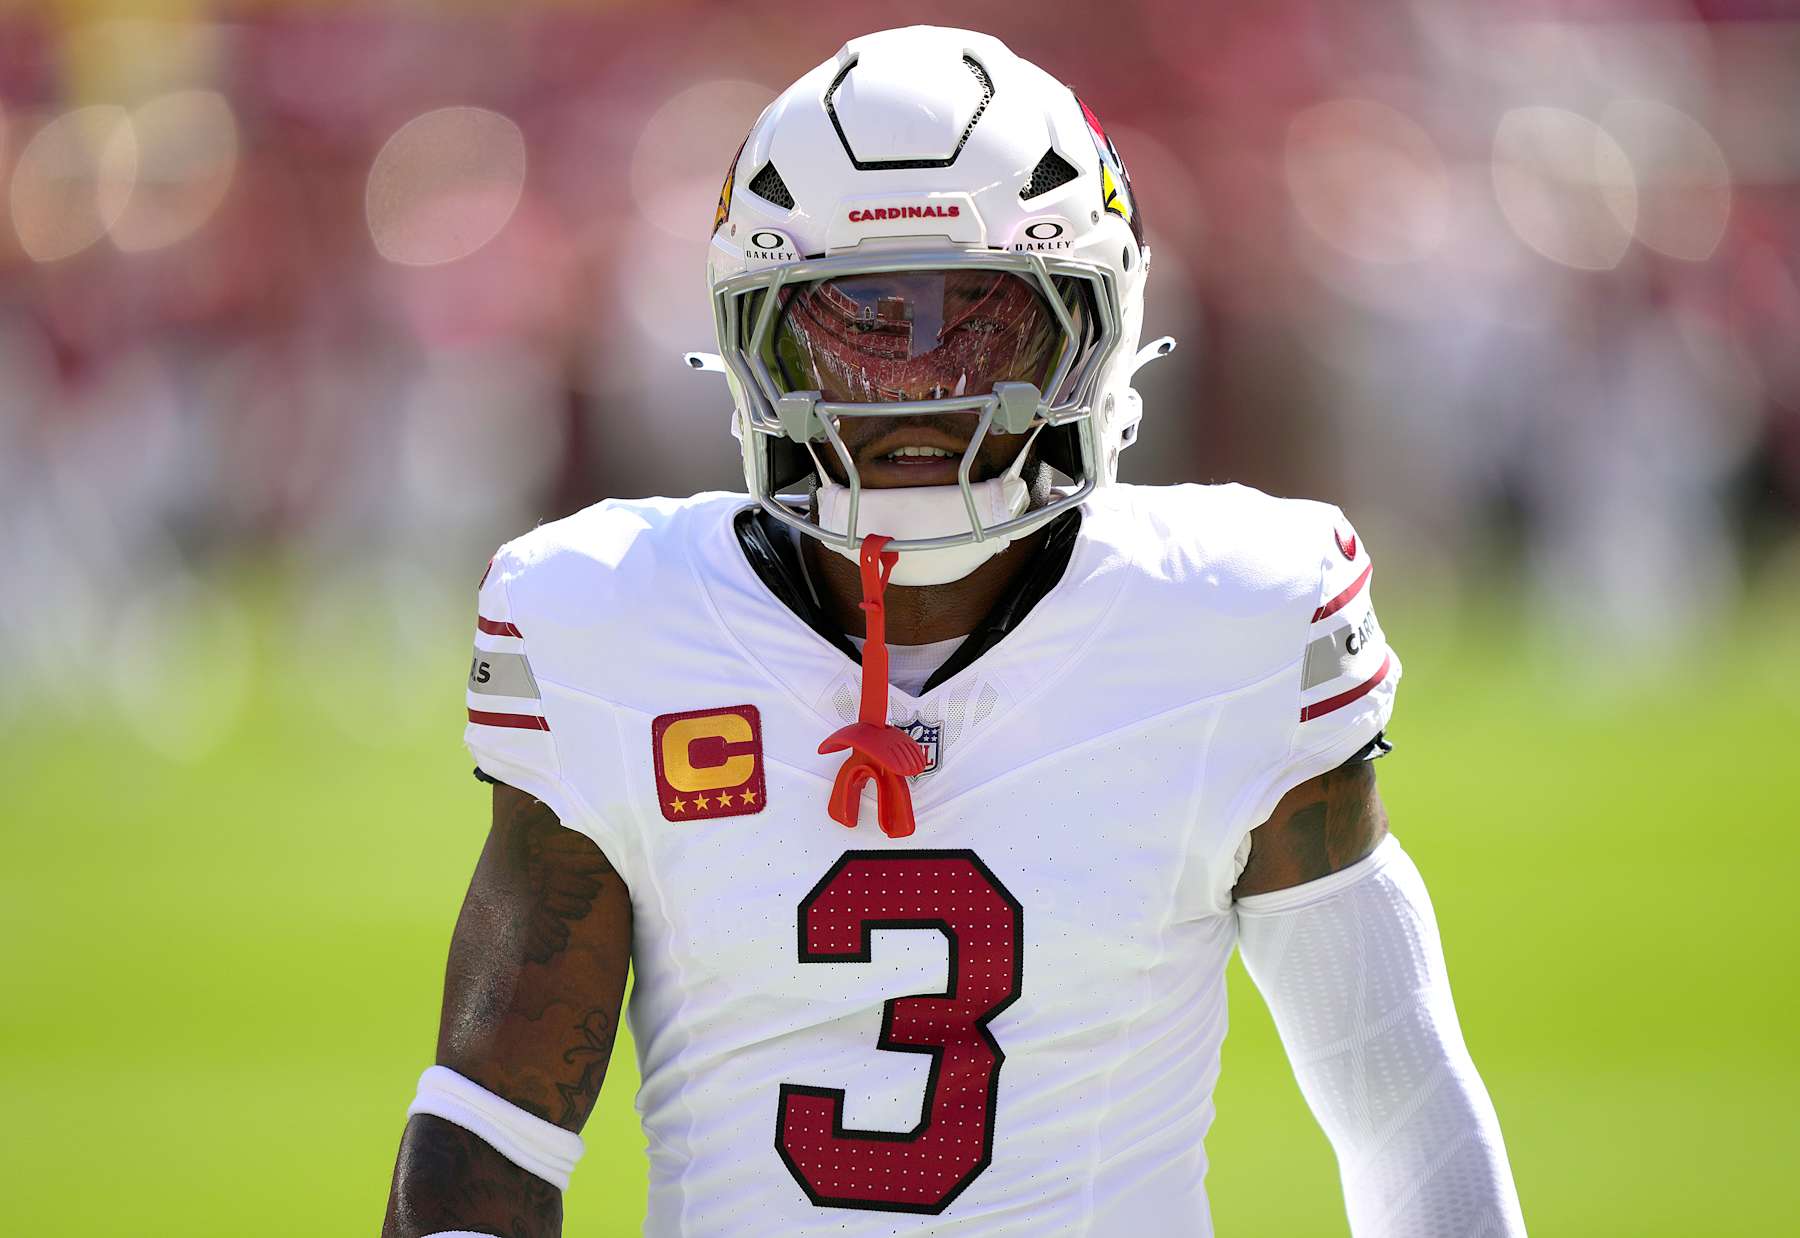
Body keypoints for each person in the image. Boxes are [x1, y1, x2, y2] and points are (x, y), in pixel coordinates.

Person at [380, 25, 1527, 1238]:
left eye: (976, 324)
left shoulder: (1232, 617)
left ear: (1098, 324)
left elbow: (1397, 1099)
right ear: (752, 343)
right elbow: (487, 1137)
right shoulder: (611, 626)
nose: (917, 395)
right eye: (859, 330)